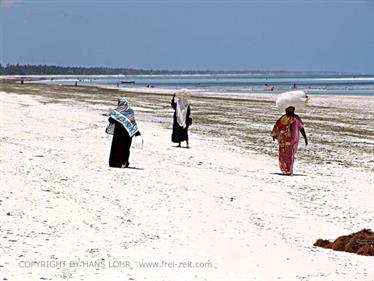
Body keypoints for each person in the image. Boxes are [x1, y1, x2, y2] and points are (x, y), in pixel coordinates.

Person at [271, 106, 308, 175]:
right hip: (284, 139)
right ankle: (286, 169)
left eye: (292, 108)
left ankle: (289, 170)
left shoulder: (296, 118)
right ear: (286, 109)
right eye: (289, 109)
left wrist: (305, 137)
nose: (290, 110)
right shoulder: (283, 117)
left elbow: (301, 128)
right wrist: (274, 134)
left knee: (291, 154)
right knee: (284, 154)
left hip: (294, 139)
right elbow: (277, 126)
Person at [108, 97, 140, 168]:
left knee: (116, 148)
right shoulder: (130, 111)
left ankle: (114, 163)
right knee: (125, 149)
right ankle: (124, 163)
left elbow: (110, 120)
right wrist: (137, 132)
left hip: (118, 134)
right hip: (127, 135)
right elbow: (132, 123)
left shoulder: (116, 111)